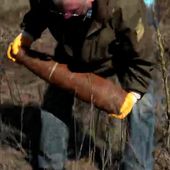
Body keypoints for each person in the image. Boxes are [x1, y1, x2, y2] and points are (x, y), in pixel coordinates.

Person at [7, 0, 155, 169]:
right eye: (61, 12)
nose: (68, 17)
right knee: (54, 104)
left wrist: (135, 93)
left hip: (119, 54)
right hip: (72, 53)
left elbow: (143, 56)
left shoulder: (125, 6)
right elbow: (41, 11)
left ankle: (138, 165)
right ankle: (49, 163)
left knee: (143, 106)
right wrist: (28, 33)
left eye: (74, 11)